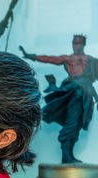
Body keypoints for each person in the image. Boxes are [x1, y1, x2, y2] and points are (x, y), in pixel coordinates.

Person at [19, 35, 98, 163]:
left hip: (86, 94)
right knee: (72, 123)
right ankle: (66, 156)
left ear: (83, 44)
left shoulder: (92, 61)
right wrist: (31, 56)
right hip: (73, 91)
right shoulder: (68, 58)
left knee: (77, 124)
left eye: (78, 43)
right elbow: (50, 59)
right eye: (74, 43)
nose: (76, 45)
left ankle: (69, 155)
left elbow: (90, 80)